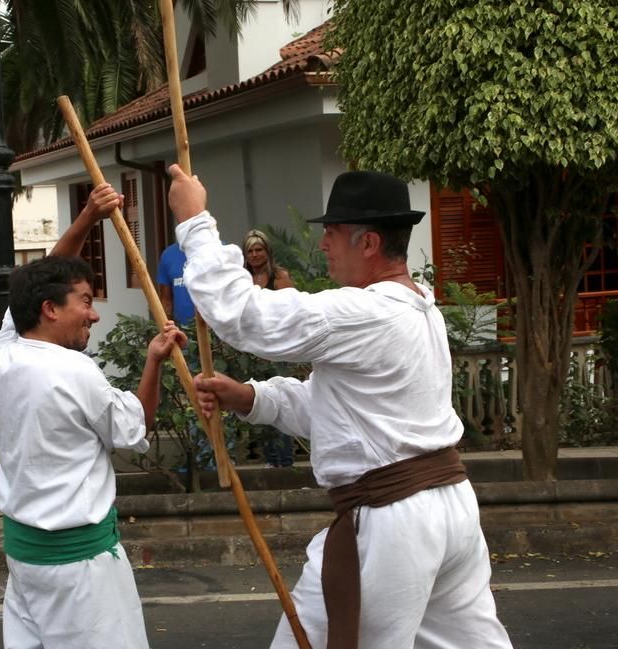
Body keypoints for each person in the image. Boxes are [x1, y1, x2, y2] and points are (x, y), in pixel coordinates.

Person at [167, 166, 513, 649]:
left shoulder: (365, 311)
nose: (324, 243)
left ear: (368, 242)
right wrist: (250, 397)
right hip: (448, 506)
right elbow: (342, 414)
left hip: (394, 517)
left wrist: (194, 222)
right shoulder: (419, 307)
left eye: (332, 232)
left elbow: (245, 316)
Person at [0, 183, 187, 649]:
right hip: (79, 568)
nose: (93, 316)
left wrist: (88, 218)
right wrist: (154, 361)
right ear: (50, 310)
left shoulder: (0, 354)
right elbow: (136, 426)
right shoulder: (74, 370)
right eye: (86, 302)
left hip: (26, 561)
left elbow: (39, 282)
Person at [242, 228, 296, 467]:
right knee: (259, 402)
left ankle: (285, 461)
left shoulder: (279, 276)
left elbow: (292, 310)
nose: (255, 255)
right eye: (250, 251)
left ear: (267, 251)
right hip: (252, 348)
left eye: (259, 250)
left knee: (281, 401)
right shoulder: (242, 279)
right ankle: (270, 459)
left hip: (278, 347)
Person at [156, 242, 195, 325]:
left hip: (215, 329)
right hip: (181, 329)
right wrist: (166, 328)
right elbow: (166, 300)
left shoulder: (220, 250)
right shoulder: (169, 254)